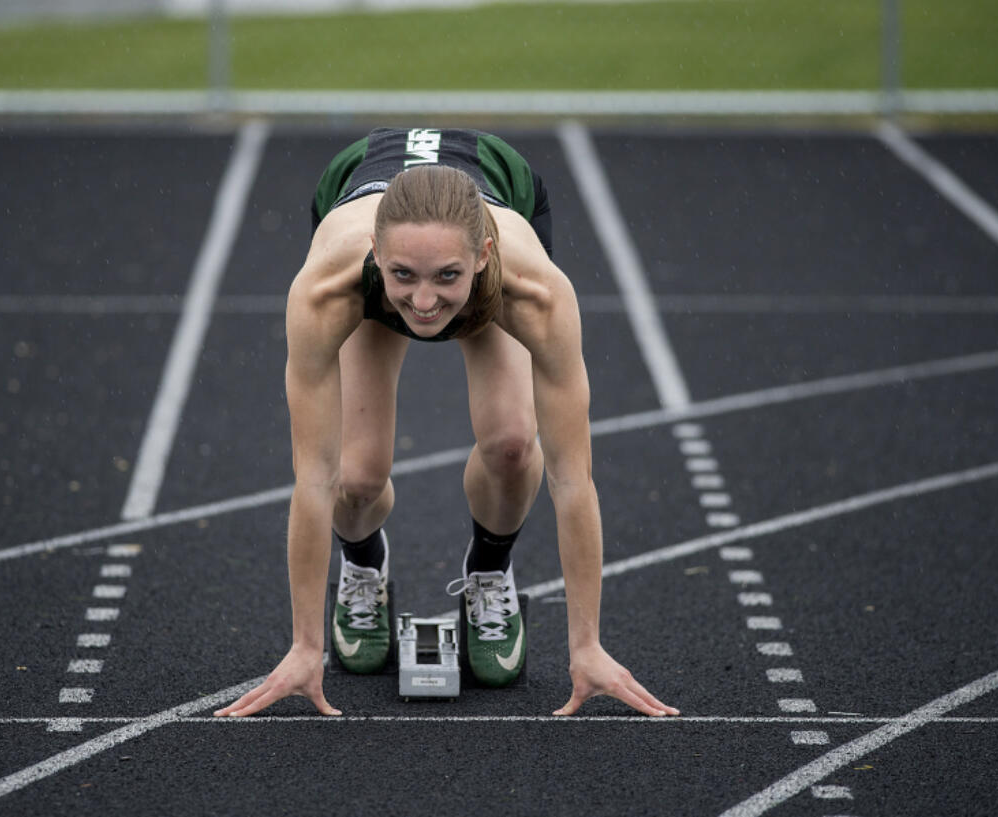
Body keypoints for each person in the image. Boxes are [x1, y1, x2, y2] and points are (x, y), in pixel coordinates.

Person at [214, 127, 678, 718]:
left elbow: (571, 478)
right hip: (364, 201)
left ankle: (488, 570)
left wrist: (586, 645)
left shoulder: (535, 293)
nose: (426, 302)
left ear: (484, 255)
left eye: (447, 277)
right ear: (377, 256)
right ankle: (362, 562)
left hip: (495, 203)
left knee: (513, 445)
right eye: (403, 274)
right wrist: (305, 646)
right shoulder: (324, 292)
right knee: (354, 479)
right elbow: (313, 477)